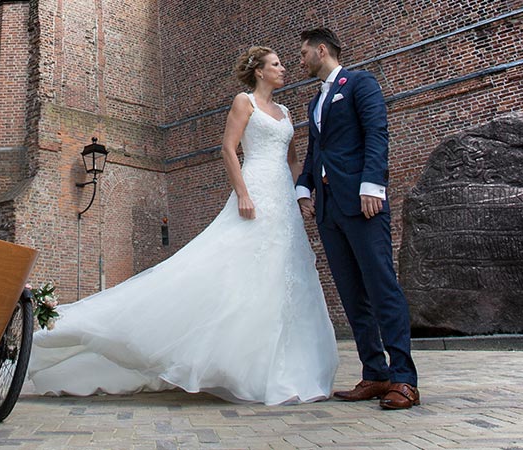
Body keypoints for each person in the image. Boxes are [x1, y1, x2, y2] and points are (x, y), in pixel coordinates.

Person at [27, 47, 338, 405]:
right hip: (256, 190)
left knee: (285, 275)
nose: (284, 68)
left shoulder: (284, 112)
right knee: (234, 268)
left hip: (283, 197)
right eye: (276, 64)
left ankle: (285, 365)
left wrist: (301, 195)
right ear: (258, 71)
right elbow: (227, 149)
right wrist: (243, 194)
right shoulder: (244, 102)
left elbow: (294, 158)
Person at [296, 27, 419, 409]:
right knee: (352, 294)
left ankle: (403, 379)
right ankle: (375, 373)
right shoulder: (314, 102)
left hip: (362, 201)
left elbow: (376, 133)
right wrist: (303, 188)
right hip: (330, 210)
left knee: (382, 286)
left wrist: (372, 185)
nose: (300, 61)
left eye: (303, 54)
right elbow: (316, 151)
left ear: (322, 50)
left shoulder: (360, 83)